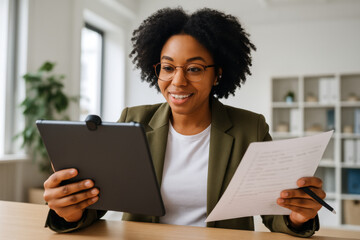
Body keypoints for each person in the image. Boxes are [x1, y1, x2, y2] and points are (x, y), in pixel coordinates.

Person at [43, 7, 325, 237]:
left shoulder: (249, 129)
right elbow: (96, 204)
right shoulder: (134, 121)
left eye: (194, 69)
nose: (178, 81)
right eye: (167, 67)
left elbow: (274, 213)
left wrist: (298, 217)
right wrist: (70, 209)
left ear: (217, 75)